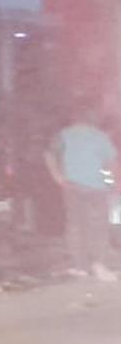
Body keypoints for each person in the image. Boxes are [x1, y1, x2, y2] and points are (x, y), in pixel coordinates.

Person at [47, 113, 117, 281]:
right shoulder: (100, 136)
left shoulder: (64, 135)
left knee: (76, 226)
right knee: (99, 226)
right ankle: (99, 264)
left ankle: (80, 266)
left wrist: (57, 176)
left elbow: (49, 154)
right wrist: (112, 183)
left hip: (72, 186)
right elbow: (111, 162)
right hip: (97, 187)